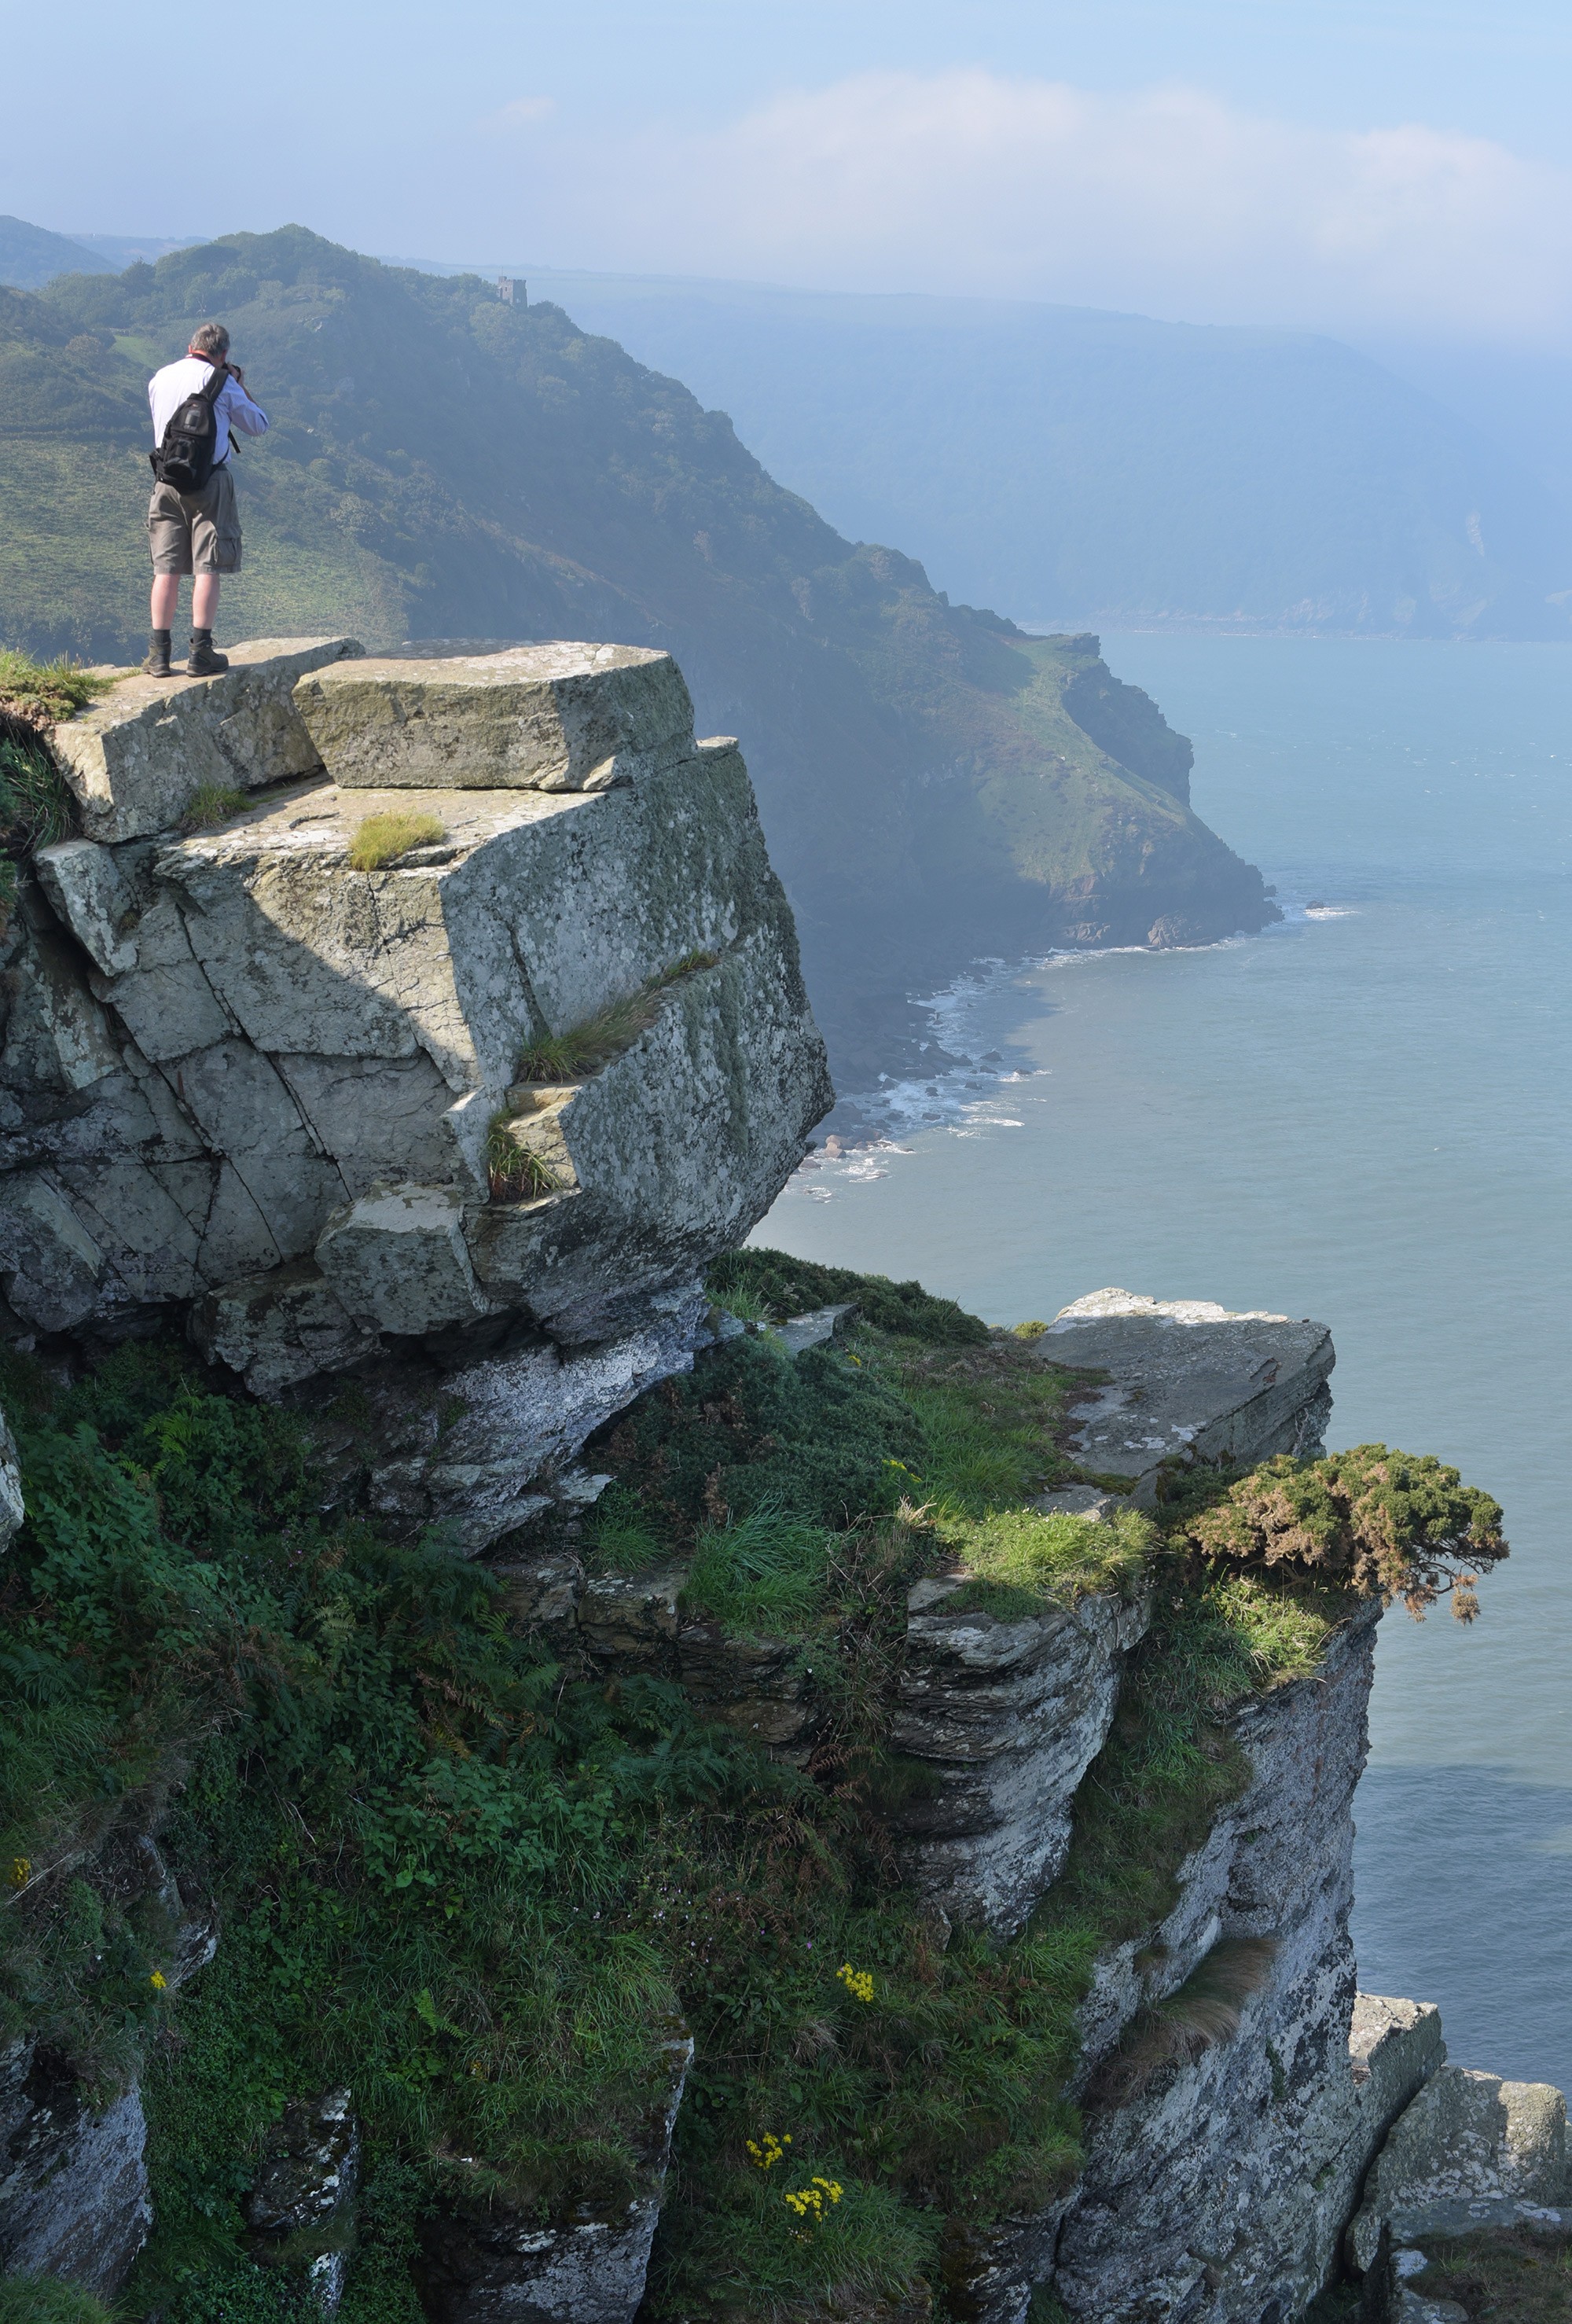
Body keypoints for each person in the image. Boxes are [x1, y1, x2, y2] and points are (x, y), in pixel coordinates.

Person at [145, 322, 270, 677]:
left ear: (190, 346)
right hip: (210, 483)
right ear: (224, 354)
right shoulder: (223, 383)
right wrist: (239, 385)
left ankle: (159, 656)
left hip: (166, 482)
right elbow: (259, 425)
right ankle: (201, 654)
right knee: (207, 566)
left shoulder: (160, 378)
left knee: (165, 568)